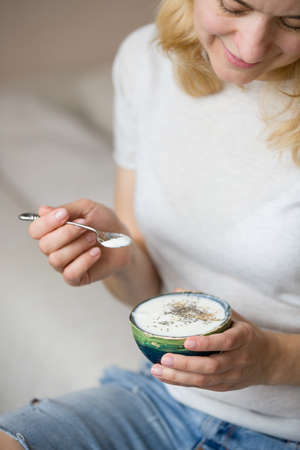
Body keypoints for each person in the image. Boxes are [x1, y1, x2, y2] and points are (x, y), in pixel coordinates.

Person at [1, 0, 300, 448]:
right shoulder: (147, 61)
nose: (252, 45)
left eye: (293, 21)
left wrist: (271, 360)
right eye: (234, 7)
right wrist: (117, 259)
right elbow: (146, 290)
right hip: (165, 400)